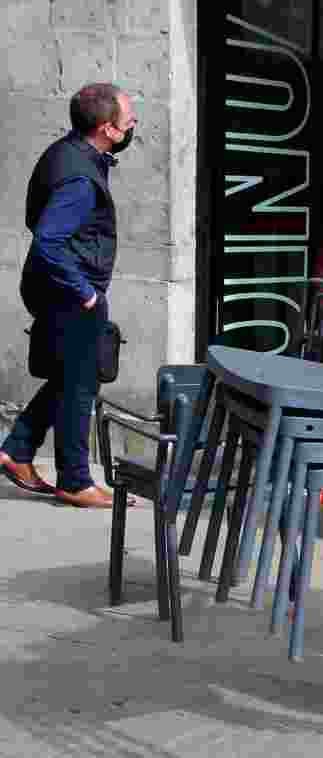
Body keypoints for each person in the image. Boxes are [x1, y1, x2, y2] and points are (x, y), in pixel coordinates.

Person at [0, 83, 137, 509]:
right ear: (107, 129)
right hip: (71, 292)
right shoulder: (80, 176)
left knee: (69, 376)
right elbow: (47, 239)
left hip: (54, 286)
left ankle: (18, 450)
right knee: (81, 383)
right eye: (128, 119)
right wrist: (85, 292)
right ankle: (76, 481)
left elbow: (36, 219)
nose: (133, 124)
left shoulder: (66, 152)